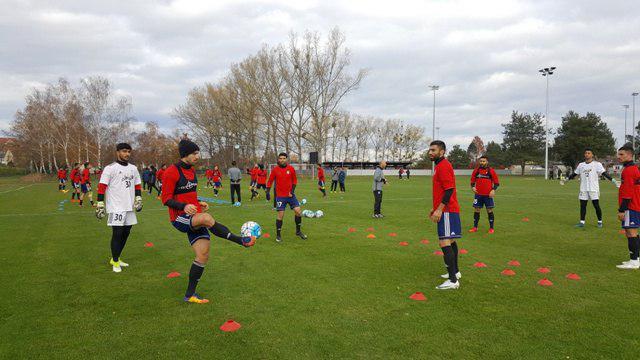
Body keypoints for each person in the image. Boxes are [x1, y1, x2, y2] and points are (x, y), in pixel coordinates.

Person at [161, 139, 256, 304]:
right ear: (185, 154)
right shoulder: (171, 172)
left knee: (203, 255)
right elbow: (166, 199)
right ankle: (240, 240)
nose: (198, 156)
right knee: (206, 219)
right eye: (194, 153)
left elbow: (189, 194)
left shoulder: (191, 171)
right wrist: (184, 206)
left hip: (193, 215)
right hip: (179, 218)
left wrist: (198, 204)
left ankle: (190, 295)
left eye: (198, 153)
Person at [95, 143, 143, 273]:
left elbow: (137, 184)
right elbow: (102, 186)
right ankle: (115, 261)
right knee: (117, 233)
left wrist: (138, 198)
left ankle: (116, 257)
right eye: (124, 151)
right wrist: (100, 203)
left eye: (128, 151)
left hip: (129, 207)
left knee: (126, 233)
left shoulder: (133, 168)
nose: (127, 154)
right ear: (117, 152)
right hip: (116, 207)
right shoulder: (110, 168)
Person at [428, 140, 462, 290]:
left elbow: (449, 190)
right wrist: (435, 208)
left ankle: (453, 281)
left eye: (433, 150)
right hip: (447, 209)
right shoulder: (441, 166)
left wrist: (439, 209)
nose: (430, 152)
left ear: (441, 152)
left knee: (444, 242)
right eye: (430, 150)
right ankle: (455, 272)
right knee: (451, 240)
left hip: (447, 210)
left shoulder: (443, 166)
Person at [563, 148, 617, 228]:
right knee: (583, 205)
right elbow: (574, 174)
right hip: (583, 189)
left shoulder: (597, 164)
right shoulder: (581, 165)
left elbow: (604, 173)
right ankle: (582, 222)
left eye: (589, 153)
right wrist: (567, 179)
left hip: (593, 188)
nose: (587, 154)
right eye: (586, 153)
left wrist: (613, 180)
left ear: (592, 155)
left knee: (596, 205)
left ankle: (600, 221)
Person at [267, 152, 307, 242]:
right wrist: (267, 192)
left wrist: (292, 192)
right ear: (278, 159)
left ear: (286, 159)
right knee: (281, 215)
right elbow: (270, 181)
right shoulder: (275, 170)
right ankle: (278, 235)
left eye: (283, 158)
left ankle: (298, 231)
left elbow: (295, 181)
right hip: (280, 196)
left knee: (298, 211)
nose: (282, 160)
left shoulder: (291, 168)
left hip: (290, 195)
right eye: (280, 158)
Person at [615, 144, 640, 269]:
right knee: (630, 232)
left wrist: (622, 210)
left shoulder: (630, 170)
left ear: (630, 155)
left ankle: (634, 261)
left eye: (621, 154)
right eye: (618, 154)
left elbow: (628, 193)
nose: (618, 157)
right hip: (633, 205)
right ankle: (636, 258)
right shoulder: (630, 168)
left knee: (631, 232)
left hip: (631, 206)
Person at [469, 156, 500, 234]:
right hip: (478, 195)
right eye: (481, 161)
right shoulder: (476, 171)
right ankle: (475, 227)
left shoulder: (491, 171)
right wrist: (473, 187)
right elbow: (472, 181)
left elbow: (496, 182)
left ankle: (491, 228)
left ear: (487, 162)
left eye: (484, 161)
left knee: (489, 210)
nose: (482, 162)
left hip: (488, 195)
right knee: (476, 210)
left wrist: (493, 190)